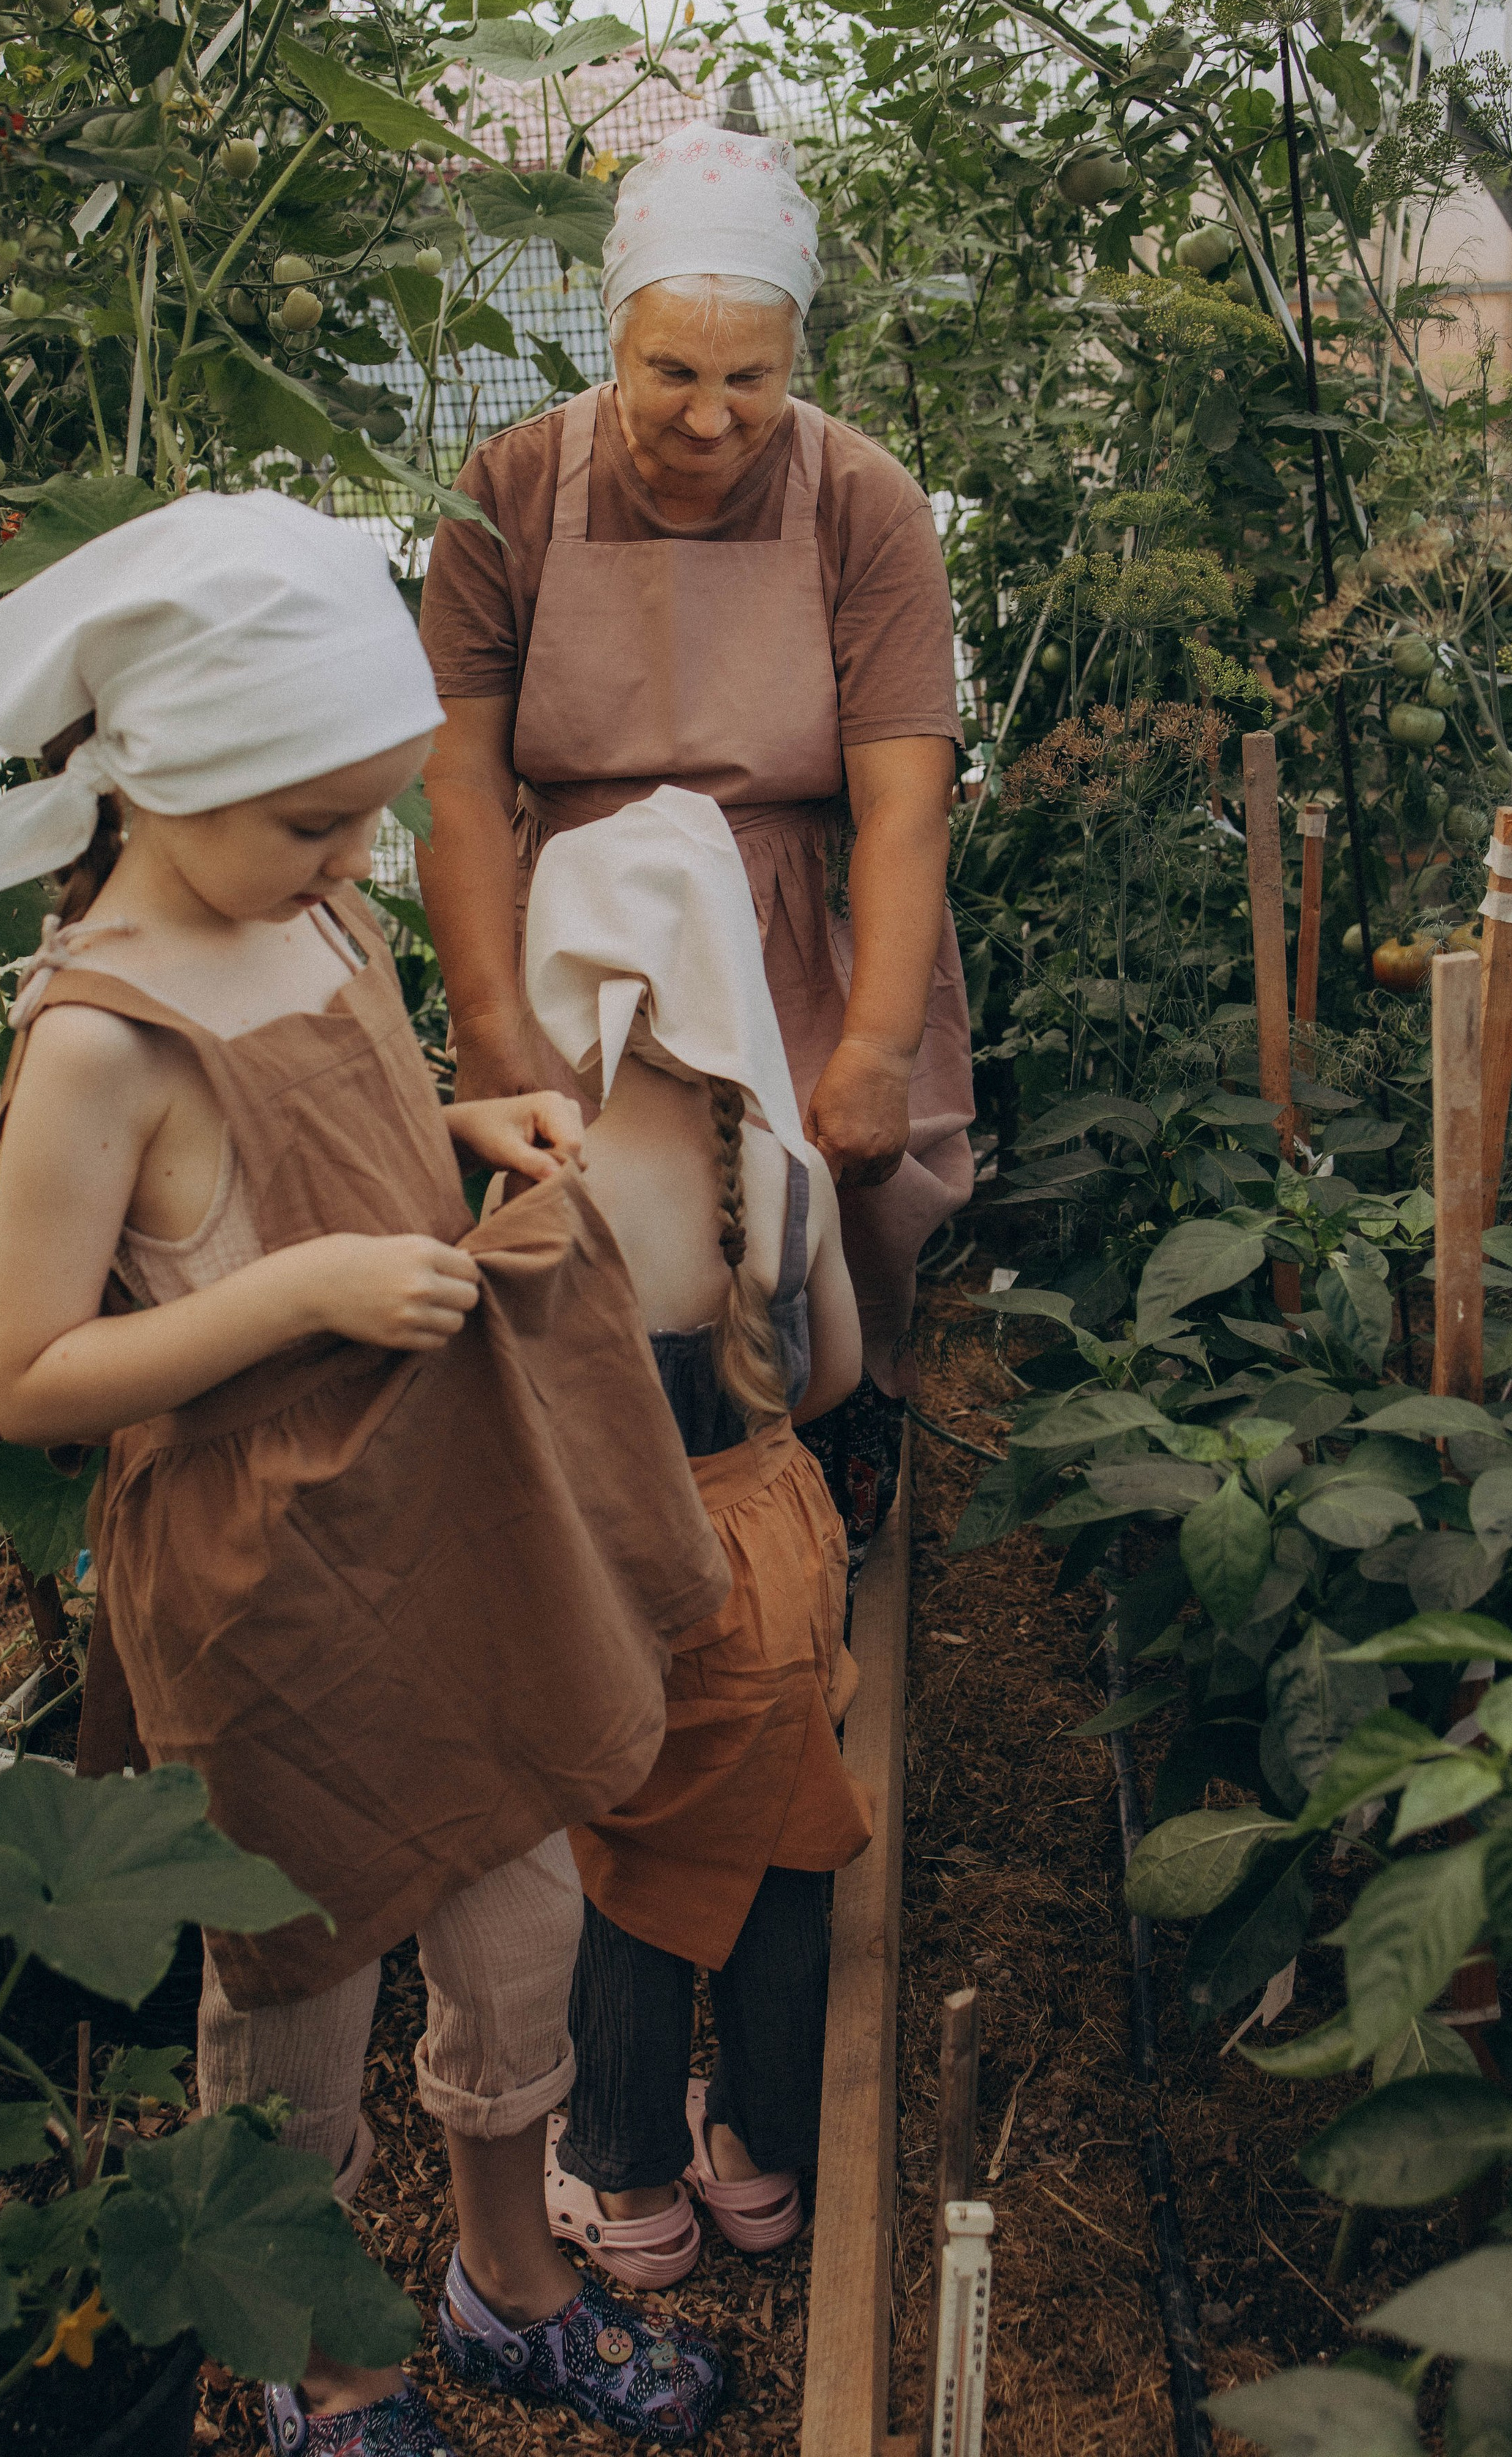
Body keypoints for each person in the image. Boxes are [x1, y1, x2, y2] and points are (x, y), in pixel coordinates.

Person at [0, 493, 730, 2457]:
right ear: (161, 783)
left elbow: (331, 1115)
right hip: (270, 1581)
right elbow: (31, 1377)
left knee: (521, 1917)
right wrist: (295, 1291)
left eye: (369, 817)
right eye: (316, 824)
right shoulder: (101, 1039)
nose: (357, 861)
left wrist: (467, 1123)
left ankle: (506, 2279)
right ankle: (323, 2363)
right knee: (295, 1980)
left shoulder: (304, 912)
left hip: (452, 1505)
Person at [416, 120, 976, 1565]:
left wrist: (873, 1046)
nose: (714, 419)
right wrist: (492, 1026)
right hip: (579, 925)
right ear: (612, 339)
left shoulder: (862, 503)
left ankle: (841, 1436)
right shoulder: (508, 493)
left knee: (828, 1204)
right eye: (673, 373)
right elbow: (457, 781)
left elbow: (902, 799)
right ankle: (602, 1508)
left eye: (752, 379)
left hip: (786, 915)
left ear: (795, 358)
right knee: (591, 1219)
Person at [519, 786, 872, 2287]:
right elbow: (837, 1374)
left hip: (640, 1578)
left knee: (631, 1858)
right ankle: (757, 2159)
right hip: (782, 1548)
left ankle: (625, 2181)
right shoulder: (786, 1170)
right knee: (786, 1837)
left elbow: (527, 1432)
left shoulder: (561, 1188)